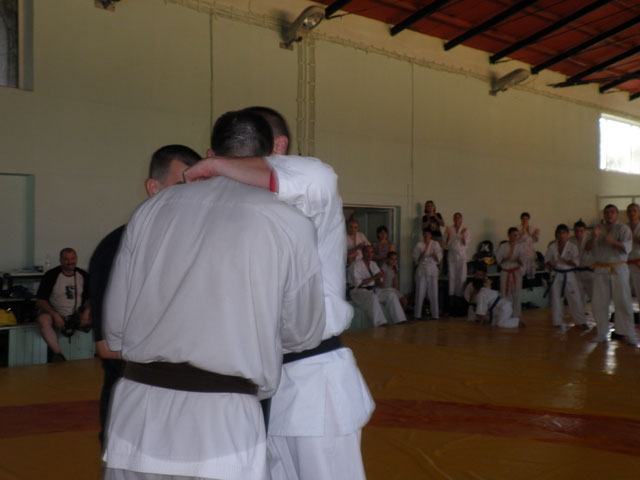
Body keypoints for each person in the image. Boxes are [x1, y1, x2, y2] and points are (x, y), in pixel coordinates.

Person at [102, 110, 326, 480]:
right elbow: (302, 333)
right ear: (272, 159)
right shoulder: (290, 223)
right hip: (223, 417)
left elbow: (116, 326)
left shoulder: (151, 210)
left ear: (211, 155)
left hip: (138, 410)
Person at [183, 106, 374, 480]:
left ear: (279, 147)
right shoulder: (234, 206)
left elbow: (313, 175)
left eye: (245, 156)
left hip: (313, 381)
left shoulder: (314, 184)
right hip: (253, 386)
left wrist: (216, 166)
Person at [89, 144, 200, 448]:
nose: (191, 197)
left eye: (199, 187)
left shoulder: (199, 247)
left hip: (191, 405)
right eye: (181, 186)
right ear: (154, 188)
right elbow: (107, 346)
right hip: (134, 406)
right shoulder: (117, 247)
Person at [586, 204, 637, 346]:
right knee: (599, 303)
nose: (609, 214)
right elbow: (587, 248)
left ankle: (628, 333)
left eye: (612, 212)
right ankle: (601, 333)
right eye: (607, 212)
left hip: (618, 268)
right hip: (601, 269)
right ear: (604, 214)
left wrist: (612, 241)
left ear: (617, 214)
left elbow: (627, 248)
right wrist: (594, 237)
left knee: (623, 302)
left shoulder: (623, 229)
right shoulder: (597, 229)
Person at [35, 248, 90, 363]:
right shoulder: (51, 275)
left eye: (72, 258)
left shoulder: (83, 275)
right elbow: (40, 301)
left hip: (77, 314)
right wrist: (55, 315)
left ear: (76, 259)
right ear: (60, 260)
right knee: (43, 319)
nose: (70, 262)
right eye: (66, 259)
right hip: (56, 313)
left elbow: (90, 298)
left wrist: (86, 313)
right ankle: (58, 355)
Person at [349, 245, 407, 326]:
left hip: (373, 289)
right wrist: (375, 277)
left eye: (372, 252)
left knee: (391, 295)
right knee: (373, 297)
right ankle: (381, 323)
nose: (370, 254)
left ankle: (400, 320)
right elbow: (358, 283)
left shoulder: (373, 264)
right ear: (363, 253)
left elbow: (378, 283)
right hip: (358, 291)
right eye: (367, 252)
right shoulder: (355, 265)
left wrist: (380, 278)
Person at [544, 224, 587, 329]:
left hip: (569, 274)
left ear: (567, 234)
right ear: (556, 234)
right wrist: (552, 264)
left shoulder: (572, 246)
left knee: (575, 298)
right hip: (556, 274)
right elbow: (547, 259)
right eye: (559, 233)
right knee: (556, 298)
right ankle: (557, 322)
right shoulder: (552, 246)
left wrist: (565, 261)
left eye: (563, 233)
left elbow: (576, 262)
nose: (561, 235)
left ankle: (580, 321)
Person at [496, 227, 526, 318]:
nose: (516, 237)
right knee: (504, 293)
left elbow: (524, 260)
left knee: (517, 294)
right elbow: (498, 259)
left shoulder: (520, 246)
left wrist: (517, 259)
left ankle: (516, 315)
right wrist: (506, 258)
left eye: (517, 235)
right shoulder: (503, 246)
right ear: (508, 235)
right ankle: (505, 314)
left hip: (516, 272)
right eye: (514, 235)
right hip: (505, 272)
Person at [413, 230, 442, 320]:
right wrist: (421, 254)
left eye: (428, 234)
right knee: (420, 292)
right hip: (422, 270)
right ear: (423, 235)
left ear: (430, 235)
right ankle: (417, 314)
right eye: (424, 234)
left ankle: (435, 315)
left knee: (434, 293)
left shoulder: (435, 244)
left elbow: (439, 258)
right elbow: (415, 259)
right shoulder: (419, 244)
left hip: (432, 269)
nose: (426, 235)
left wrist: (434, 255)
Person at [445, 212, 469, 314]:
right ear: (453, 219)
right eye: (455, 217)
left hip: (462, 256)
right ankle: (451, 304)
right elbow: (445, 243)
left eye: (459, 218)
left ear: (461, 219)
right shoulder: (449, 229)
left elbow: (465, 243)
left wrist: (462, 235)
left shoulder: (466, 230)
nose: (457, 219)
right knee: (452, 278)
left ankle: (460, 304)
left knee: (461, 278)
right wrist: (448, 234)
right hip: (452, 255)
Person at [570, 219, 594, 304]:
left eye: (581, 231)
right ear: (574, 231)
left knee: (595, 298)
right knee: (577, 299)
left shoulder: (590, 239)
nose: (578, 233)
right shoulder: (570, 240)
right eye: (576, 231)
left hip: (590, 272)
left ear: (585, 230)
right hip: (576, 273)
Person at [626, 203, 640, 322]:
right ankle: (626, 318)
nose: (632, 213)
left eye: (634, 211)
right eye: (630, 211)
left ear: (638, 213)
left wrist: (632, 236)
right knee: (623, 292)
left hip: (638, 263)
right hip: (624, 264)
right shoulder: (623, 228)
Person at [518, 212, 540, 279]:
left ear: (529, 219)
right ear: (521, 219)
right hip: (521, 249)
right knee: (521, 268)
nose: (525, 220)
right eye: (523, 219)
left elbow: (536, 240)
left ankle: (530, 280)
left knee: (531, 268)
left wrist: (535, 234)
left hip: (530, 250)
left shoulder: (532, 228)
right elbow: (516, 239)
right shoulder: (517, 228)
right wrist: (523, 231)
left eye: (526, 219)